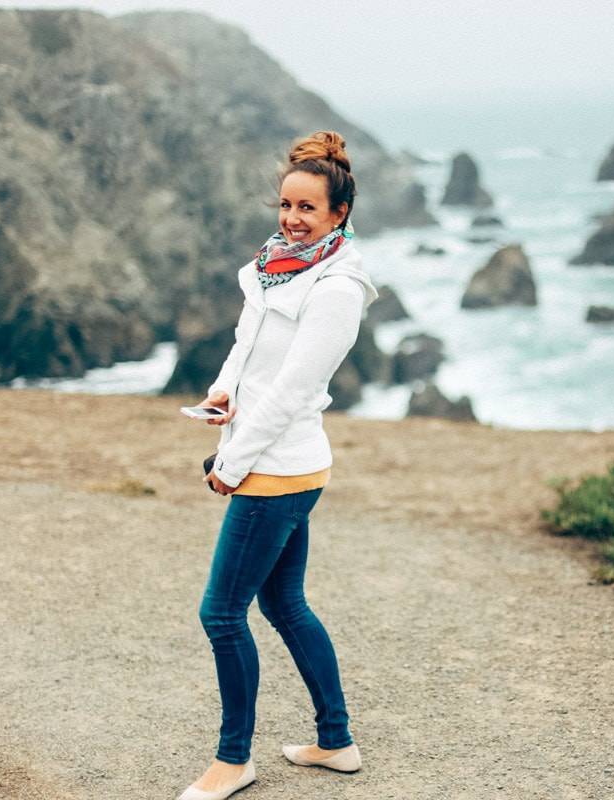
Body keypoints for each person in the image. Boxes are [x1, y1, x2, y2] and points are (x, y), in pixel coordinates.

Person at [177, 130, 378, 800]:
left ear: (339, 214)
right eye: (286, 204)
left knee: (221, 613)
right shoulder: (275, 262)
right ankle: (335, 740)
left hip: (281, 464)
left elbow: (295, 387)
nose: (292, 218)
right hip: (271, 453)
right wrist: (222, 392)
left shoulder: (338, 286)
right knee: (283, 601)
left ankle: (234, 761)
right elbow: (249, 342)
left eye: (308, 209)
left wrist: (231, 460)